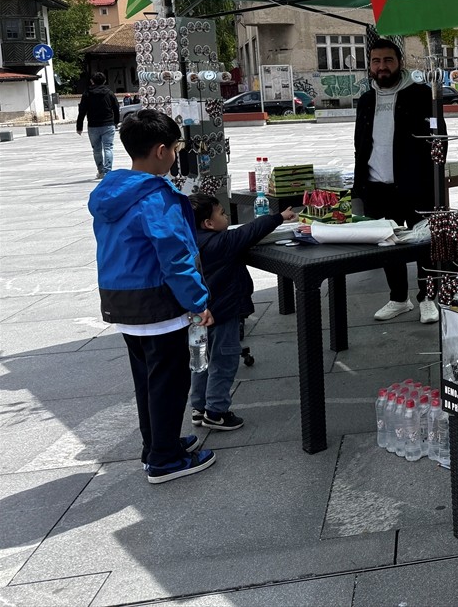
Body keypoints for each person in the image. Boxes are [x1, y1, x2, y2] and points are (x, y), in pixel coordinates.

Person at [88, 109, 216, 483]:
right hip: (157, 304)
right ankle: (164, 458)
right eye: (176, 148)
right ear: (161, 150)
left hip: (121, 300)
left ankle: (158, 444)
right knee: (169, 382)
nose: (176, 154)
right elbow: (175, 257)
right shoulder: (155, 198)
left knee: (148, 380)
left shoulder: (112, 191)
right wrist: (198, 302)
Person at [352, 38, 446, 323]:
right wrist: (359, 187)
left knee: (424, 244)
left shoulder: (421, 95)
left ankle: (428, 298)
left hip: (415, 185)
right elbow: (360, 144)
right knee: (387, 244)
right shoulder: (366, 100)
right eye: (376, 61)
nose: (382, 66)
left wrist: (434, 182)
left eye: (388, 60)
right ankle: (398, 298)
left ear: (399, 63)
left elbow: (439, 141)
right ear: (370, 65)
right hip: (378, 187)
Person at [187, 193, 297, 431]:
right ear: (209, 223)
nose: (226, 216)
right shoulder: (221, 243)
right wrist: (279, 217)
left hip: (197, 315)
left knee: (200, 361)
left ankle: (199, 407)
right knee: (223, 361)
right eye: (222, 213)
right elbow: (250, 231)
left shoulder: (188, 241)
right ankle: (216, 412)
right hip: (223, 313)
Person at [76, 72, 121, 179]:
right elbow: (116, 108)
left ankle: (100, 171)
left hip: (93, 125)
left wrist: (79, 126)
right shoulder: (109, 93)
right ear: (105, 81)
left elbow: (82, 110)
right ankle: (108, 171)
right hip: (108, 124)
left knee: (96, 149)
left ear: (92, 81)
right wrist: (116, 121)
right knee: (108, 148)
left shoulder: (87, 93)